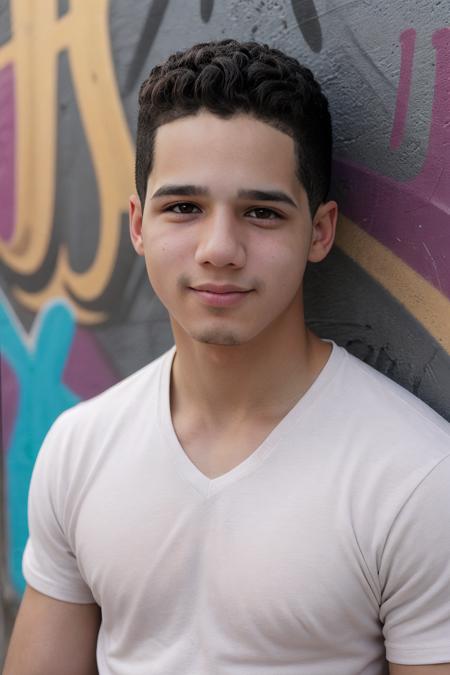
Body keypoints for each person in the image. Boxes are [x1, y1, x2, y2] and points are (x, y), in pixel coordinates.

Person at [4, 39, 450, 675]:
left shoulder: (417, 481)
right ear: (137, 224)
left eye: (261, 213)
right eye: (183, 208)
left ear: (319, 231)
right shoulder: (79, 448)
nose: (219, 248)